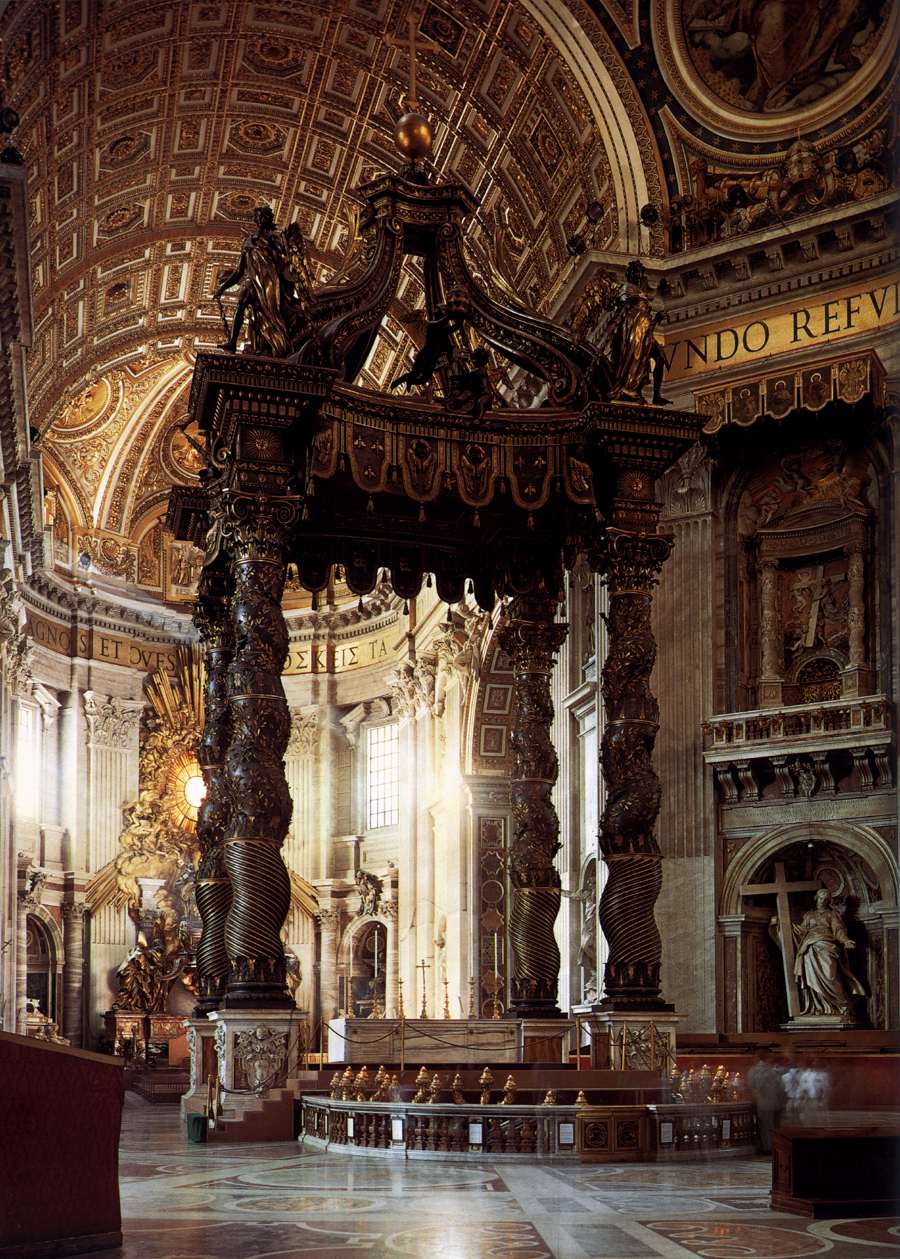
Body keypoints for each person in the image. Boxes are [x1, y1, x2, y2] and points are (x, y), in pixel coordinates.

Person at [214, 204, 312, 357]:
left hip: (270, 282)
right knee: (241, 303)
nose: (260, 220)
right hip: (253, 281)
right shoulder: (248, 242)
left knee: (267, 313)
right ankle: (232, 342)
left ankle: (271, 342)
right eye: (259, 217)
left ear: (268, 219)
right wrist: (222, 288)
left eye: (263, 217)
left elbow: (285, 262)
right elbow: (240, 271)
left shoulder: (275, 238)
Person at [793, 888, 865, 1018]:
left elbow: (838, 930)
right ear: (816, 898)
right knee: (812, 978)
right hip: (809, 949)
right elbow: (801, 931)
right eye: (821, 898)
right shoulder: (809, 915)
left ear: (829, 901)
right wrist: (782, 924)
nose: (823, 901)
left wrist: (846, 941)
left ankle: (842, 1005)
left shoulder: (831, 915)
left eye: (826, 899)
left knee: (830, 975)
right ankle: (819, 1007)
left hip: (827, 946)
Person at [747, 1051, 787, 1153]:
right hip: (773, 1103)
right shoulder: (771, 1071)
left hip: (763, 1103)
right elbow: (780, 1088)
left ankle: (767, 1147)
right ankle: (772, 1147)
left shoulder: (755, 1070)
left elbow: (752, 1087)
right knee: (771, 1127)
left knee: (765, 1127)